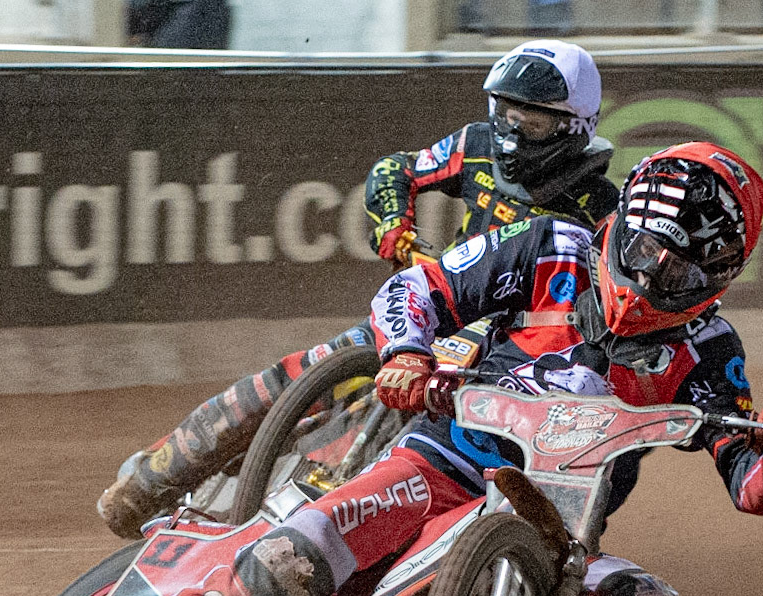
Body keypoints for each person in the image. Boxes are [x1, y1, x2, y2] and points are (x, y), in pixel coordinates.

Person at [7, 141, 763, 596]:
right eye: (644, 254)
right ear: (622, 225)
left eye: (678, 277)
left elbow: (749, 476)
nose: (650, 282)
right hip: (440, 464)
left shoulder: (710, 351)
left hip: (553, 536)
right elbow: (417, 291)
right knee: (289, 563)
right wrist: (406, 353)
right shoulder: (549, 249)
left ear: (718, 281)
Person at [96, 39, 621, 540]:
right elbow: (396, 168)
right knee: (305, 369)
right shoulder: (475, 145)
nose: (509, 131)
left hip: (510, 344)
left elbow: (610, 309)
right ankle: (153, 476)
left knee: (457, 437)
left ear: (573, 126)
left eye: (528, 121)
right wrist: (396, 227)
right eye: (503, 112)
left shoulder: (603, 208)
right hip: (440, 301)